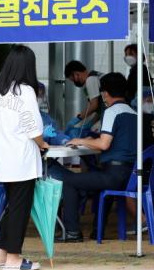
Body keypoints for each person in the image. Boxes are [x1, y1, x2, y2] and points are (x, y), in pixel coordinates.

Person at [49, 72, 137, 242]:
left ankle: (72, 232)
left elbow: (103, 144)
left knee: (70, 182)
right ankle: (97, 231)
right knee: (85, 184)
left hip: (114, 175)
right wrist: (92, 140)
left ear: (105, 93)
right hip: (130, 175)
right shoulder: (133, 113)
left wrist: (80, 140)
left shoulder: (111, 111)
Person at [0, 45, 48, 270]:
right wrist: (43, 144)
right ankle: (14, 258)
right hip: (22, 159)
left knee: (12, 207)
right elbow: (34, 128)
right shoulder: (25, 91)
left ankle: (1, 255)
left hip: (4, 158)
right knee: (19, 209)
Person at [64, 60, 103, 126]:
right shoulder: (96, 76)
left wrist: (78, 119)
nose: (75, 83)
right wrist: (90, 124)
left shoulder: (90, 80)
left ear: (76, 74)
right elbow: (100, 109)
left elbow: (94, 105)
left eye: (73, 80)